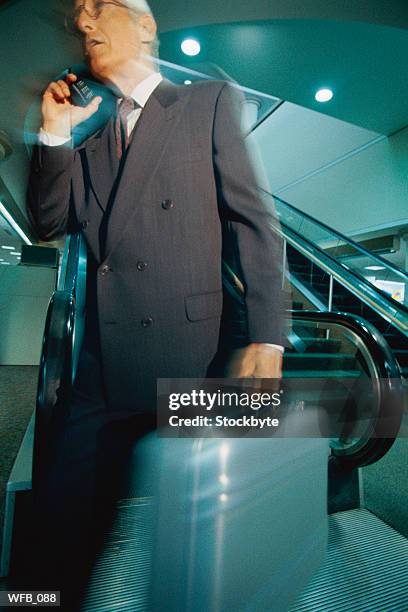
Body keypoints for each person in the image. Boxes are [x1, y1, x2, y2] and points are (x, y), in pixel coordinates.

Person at [26, 0, 286, 607]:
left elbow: (254, 223)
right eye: (79, 17)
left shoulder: (207, 103)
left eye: (98, 8)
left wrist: (267, 338)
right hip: (100, 370)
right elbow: (47, 222)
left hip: (191, 361)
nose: (85, 23)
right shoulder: (88, 140)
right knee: (62, 525)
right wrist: (54, 132)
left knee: (198, 535)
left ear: (146, 25)